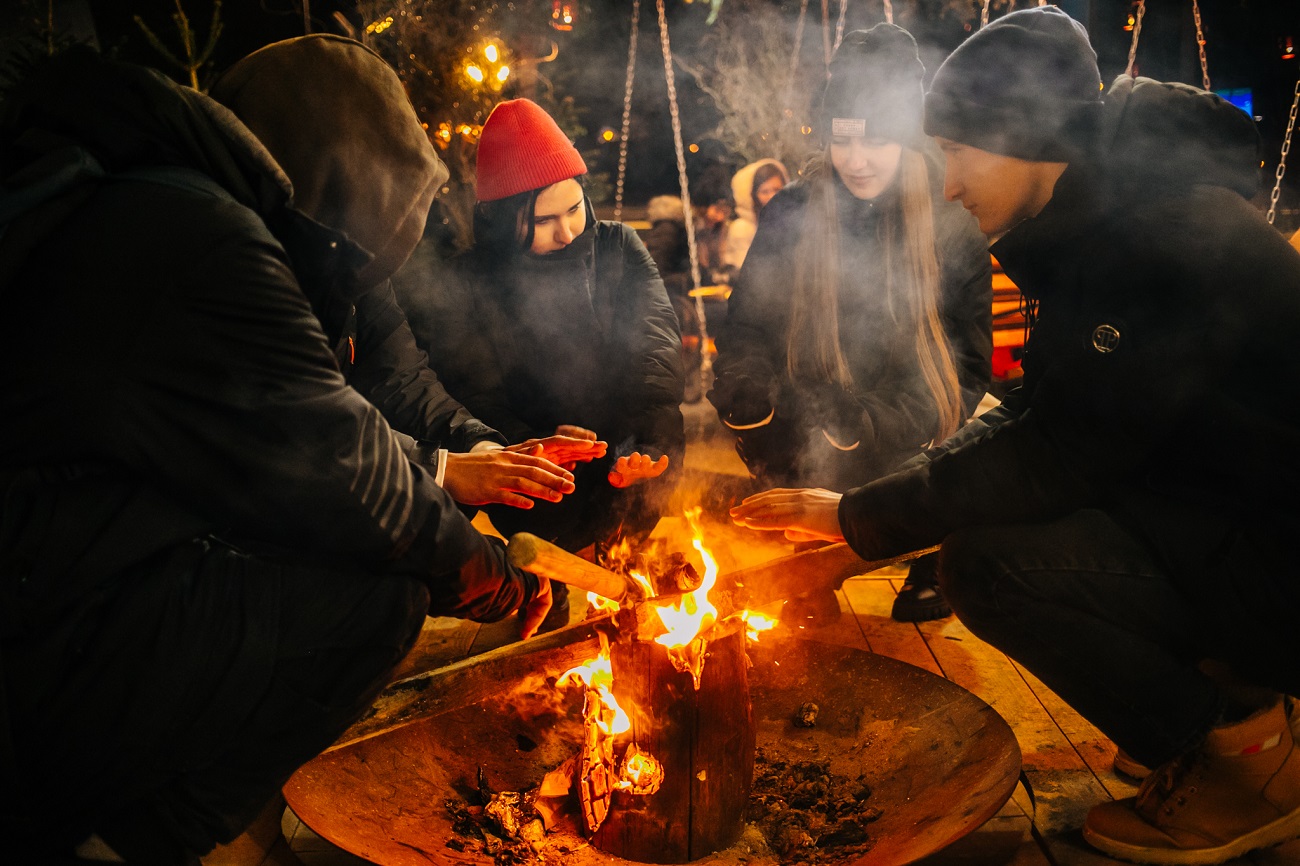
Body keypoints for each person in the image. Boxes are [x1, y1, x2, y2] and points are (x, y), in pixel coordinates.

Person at [731, 8, 1300, 864]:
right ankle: (1207, 715)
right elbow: (1039, 413)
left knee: (988, 564)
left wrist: (859, 527)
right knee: (991, 527)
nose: (948, 182)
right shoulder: (1103, 224)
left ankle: (1251, 758)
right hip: (1223, 524)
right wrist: (860, 514)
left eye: (956, 151)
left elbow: (1061, 453)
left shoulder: (1163, 238)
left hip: (1276, 557)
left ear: (1021, 137)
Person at [0, 37, 553, 865]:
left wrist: (455, 472)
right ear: (347, 181)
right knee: (386, 595)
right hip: (38, 636)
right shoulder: (202, 236)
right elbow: (348, 470)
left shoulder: (152, 199)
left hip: (53, 570)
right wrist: (487, 577)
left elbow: (336, 431)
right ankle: (136, 840)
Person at [710, 23, 992, 622]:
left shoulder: (949, 218)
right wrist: (745, 387)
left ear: (909, 141)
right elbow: (748, 325)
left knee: (956, 450)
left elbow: (967, 365)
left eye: (877, 143)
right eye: (843, 142)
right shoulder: (794, 209)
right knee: (790, 448)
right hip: (812, 413)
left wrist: (874, 422)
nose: (856, 161)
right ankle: (808, 571)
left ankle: (929, 557)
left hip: (907, 424)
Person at [401, 98, 685, 630]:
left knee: (653, 463)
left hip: (623, 432)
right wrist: (533, 443)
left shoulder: (619, 247)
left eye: (575, 209)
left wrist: (641, 441)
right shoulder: (471, 282)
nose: (568, 232)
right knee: (543, 525)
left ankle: (626, 572)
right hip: (533, 442)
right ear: (506, 220)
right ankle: (545, 589)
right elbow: (474, 390)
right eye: (544, 220)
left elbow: (654, 343)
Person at [722, 157, 789, 272]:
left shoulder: (787, 222)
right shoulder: (742, 228)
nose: (773, 196)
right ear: (751, 196)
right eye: (765, 192)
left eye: (777, 189)